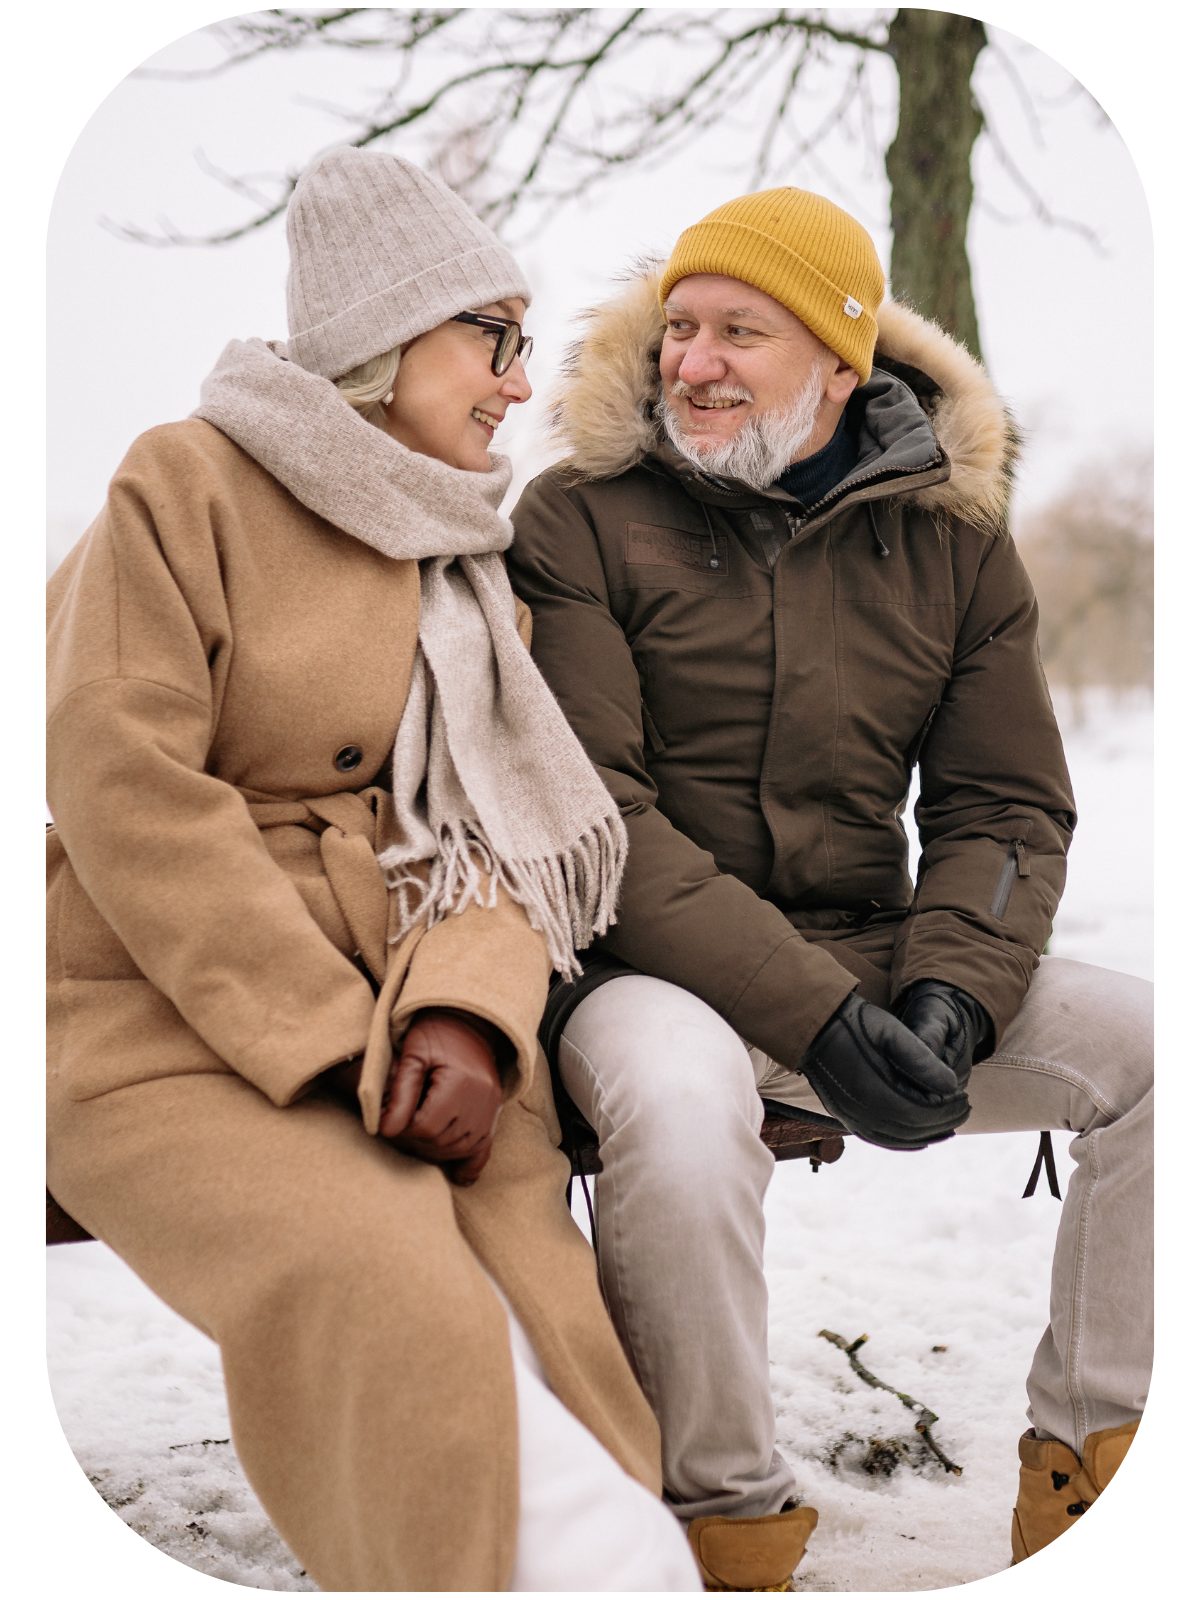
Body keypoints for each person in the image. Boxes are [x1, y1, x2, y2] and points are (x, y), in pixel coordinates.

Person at [45, 147, 702, 1593]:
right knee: (375, 1276)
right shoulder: (186, 483)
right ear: (386, 336)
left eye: (525, 347)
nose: (520, 384)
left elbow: (498, 838)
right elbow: (122, 786)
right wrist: (332, 1037)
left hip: (411, 1011)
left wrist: (467, 1018)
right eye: (494, 338)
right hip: (167, 1017)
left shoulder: (468, 563)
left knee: (540, 1302)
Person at [508, 187, 1153, 1589]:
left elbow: (1004, 801)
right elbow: (597, 818)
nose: (692, 361)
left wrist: (953, 996)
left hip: (873, 967)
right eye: (679, 327)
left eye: (741, 329)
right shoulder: (578, 519)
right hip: (641, 973)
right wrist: (815, 1018)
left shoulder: (954, 543)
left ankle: (1087, 1463)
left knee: (1151, 1053)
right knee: (681, 1113)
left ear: (842, 369)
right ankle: (721, 1522)